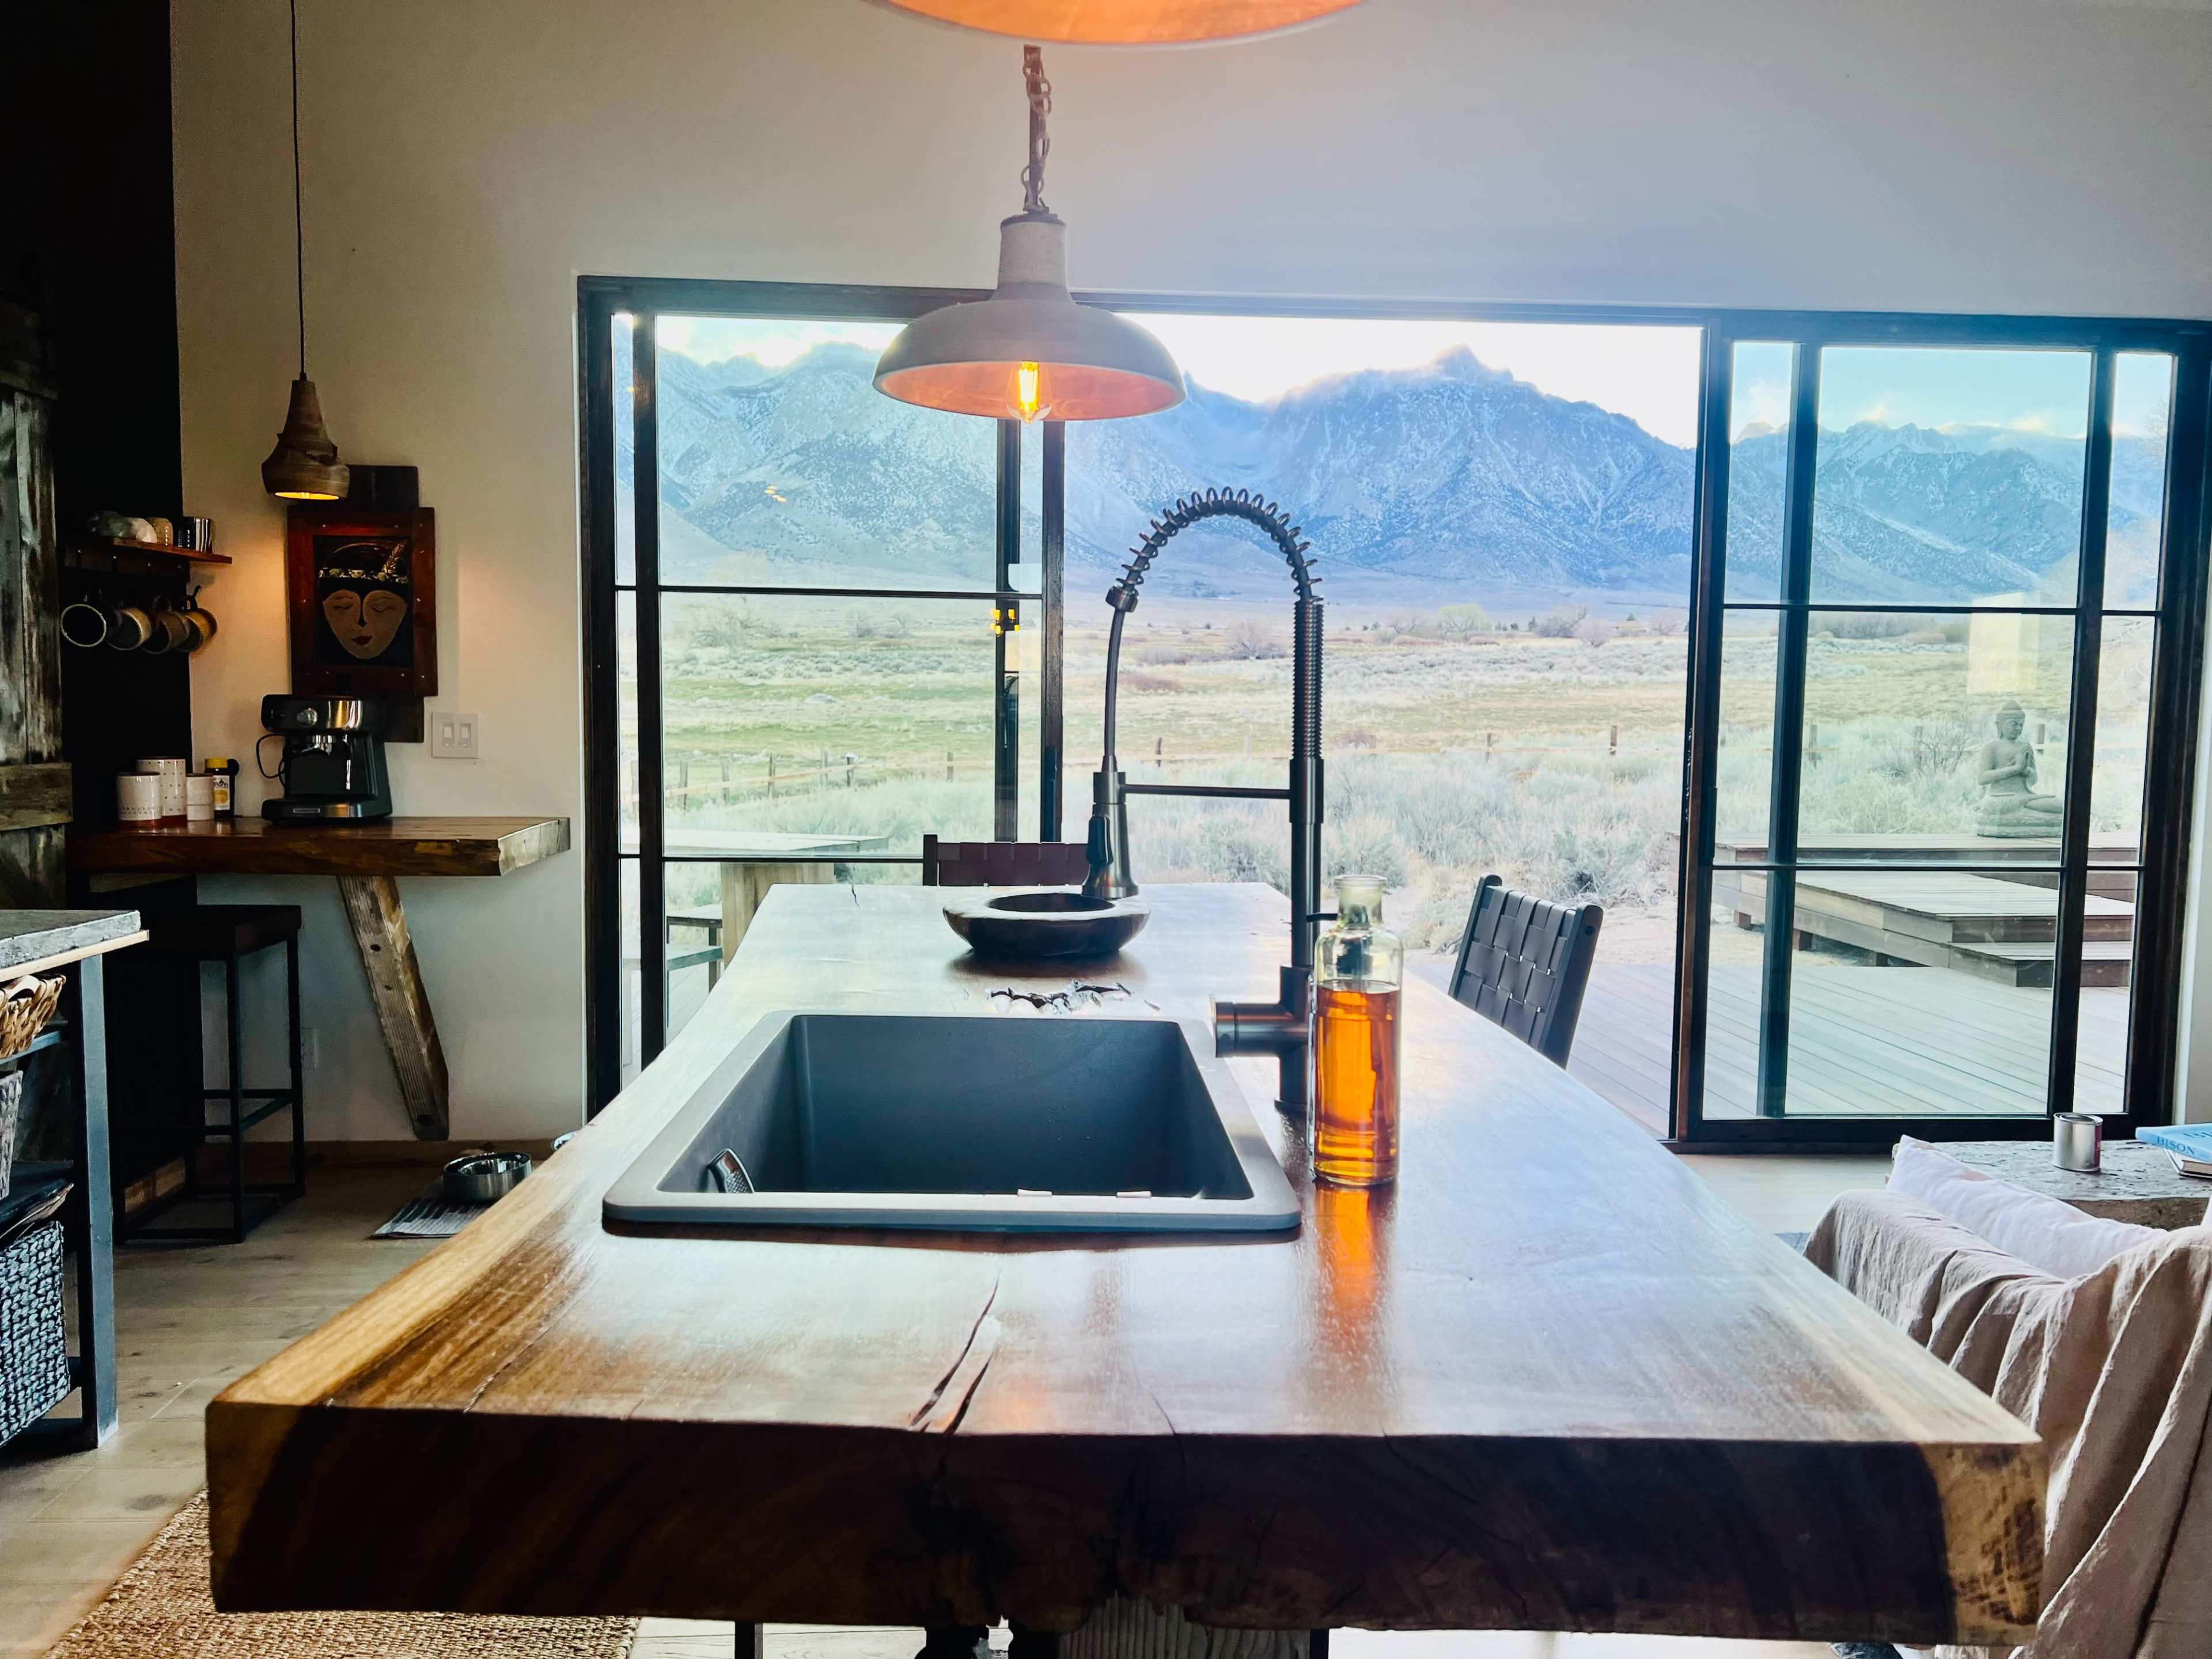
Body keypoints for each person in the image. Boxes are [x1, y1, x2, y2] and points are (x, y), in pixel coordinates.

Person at [1973, 700, 2065, 837]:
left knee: (2059, 806)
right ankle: (2023, 818)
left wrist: (2025, 770)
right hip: (2000, 798)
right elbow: (1983, 778)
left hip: (2024, 796)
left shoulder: (2024, 746)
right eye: (2014, 724)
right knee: (1993, 807)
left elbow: (2033, 780)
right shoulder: (1991, 747)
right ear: (1999, 725)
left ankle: (2019, 817)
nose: (2018, 728)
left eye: (2021, 725)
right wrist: (2016, 769)